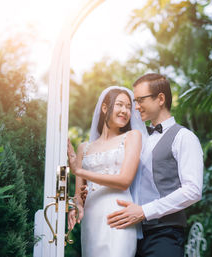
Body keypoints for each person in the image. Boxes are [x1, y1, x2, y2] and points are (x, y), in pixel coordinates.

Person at [107, 73, 204, 257]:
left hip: (164, 234)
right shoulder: (137, 139)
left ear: (160, 99)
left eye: (140, 100)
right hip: (130, 234)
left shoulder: (185, 138)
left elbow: (193, 190)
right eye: (134, 101)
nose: (135, 107)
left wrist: (144, 211)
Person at [67, 86, 147, 257]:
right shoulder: (83, 148)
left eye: (128, 107)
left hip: (118, 215)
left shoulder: (132, 137)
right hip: (91, 219)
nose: (125, 111)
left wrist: (79, 171)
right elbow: (79, 196)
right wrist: (76, 208)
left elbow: (124, 180)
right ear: (104, 108)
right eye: (120, 105)